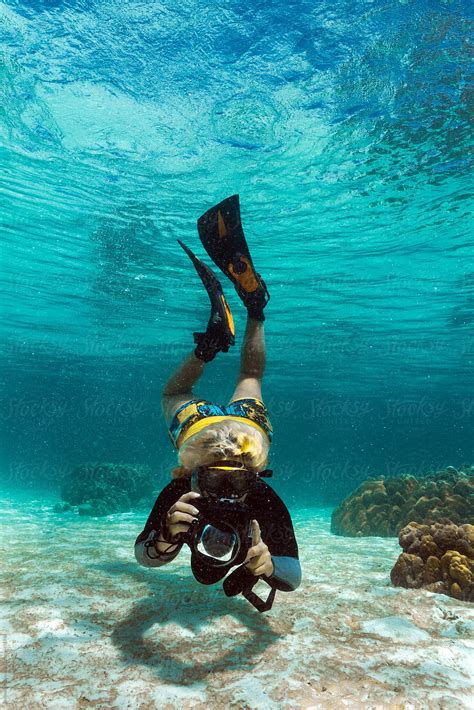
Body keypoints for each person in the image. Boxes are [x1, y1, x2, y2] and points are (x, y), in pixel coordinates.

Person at [134, 195, 301, 602]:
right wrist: (272, 566)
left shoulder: (187, 498)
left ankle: (255, 308)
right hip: (204, 434)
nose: (225, 493)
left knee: (249, 377)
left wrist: (165, 538)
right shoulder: (230, 494)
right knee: (174, 393)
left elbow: (145, 557)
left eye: (217, 480)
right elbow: (293, 576)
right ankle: (211, 344)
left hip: (245, 435)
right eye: (227, 481)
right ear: (253, 479)